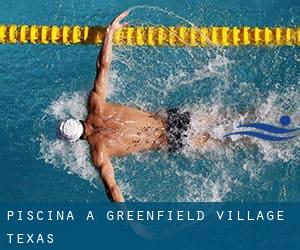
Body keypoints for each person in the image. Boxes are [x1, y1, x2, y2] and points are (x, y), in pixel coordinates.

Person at [58, 11, 210, 202]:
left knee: (228, 141)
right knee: (226, 118)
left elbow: (112, 189)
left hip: (171, 140)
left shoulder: (99, 152)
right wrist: (109, 33)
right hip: (172, 118)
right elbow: (103, 66)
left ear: (76, 140)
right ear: (76, 119)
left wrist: (130, 221)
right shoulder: (95, 105)